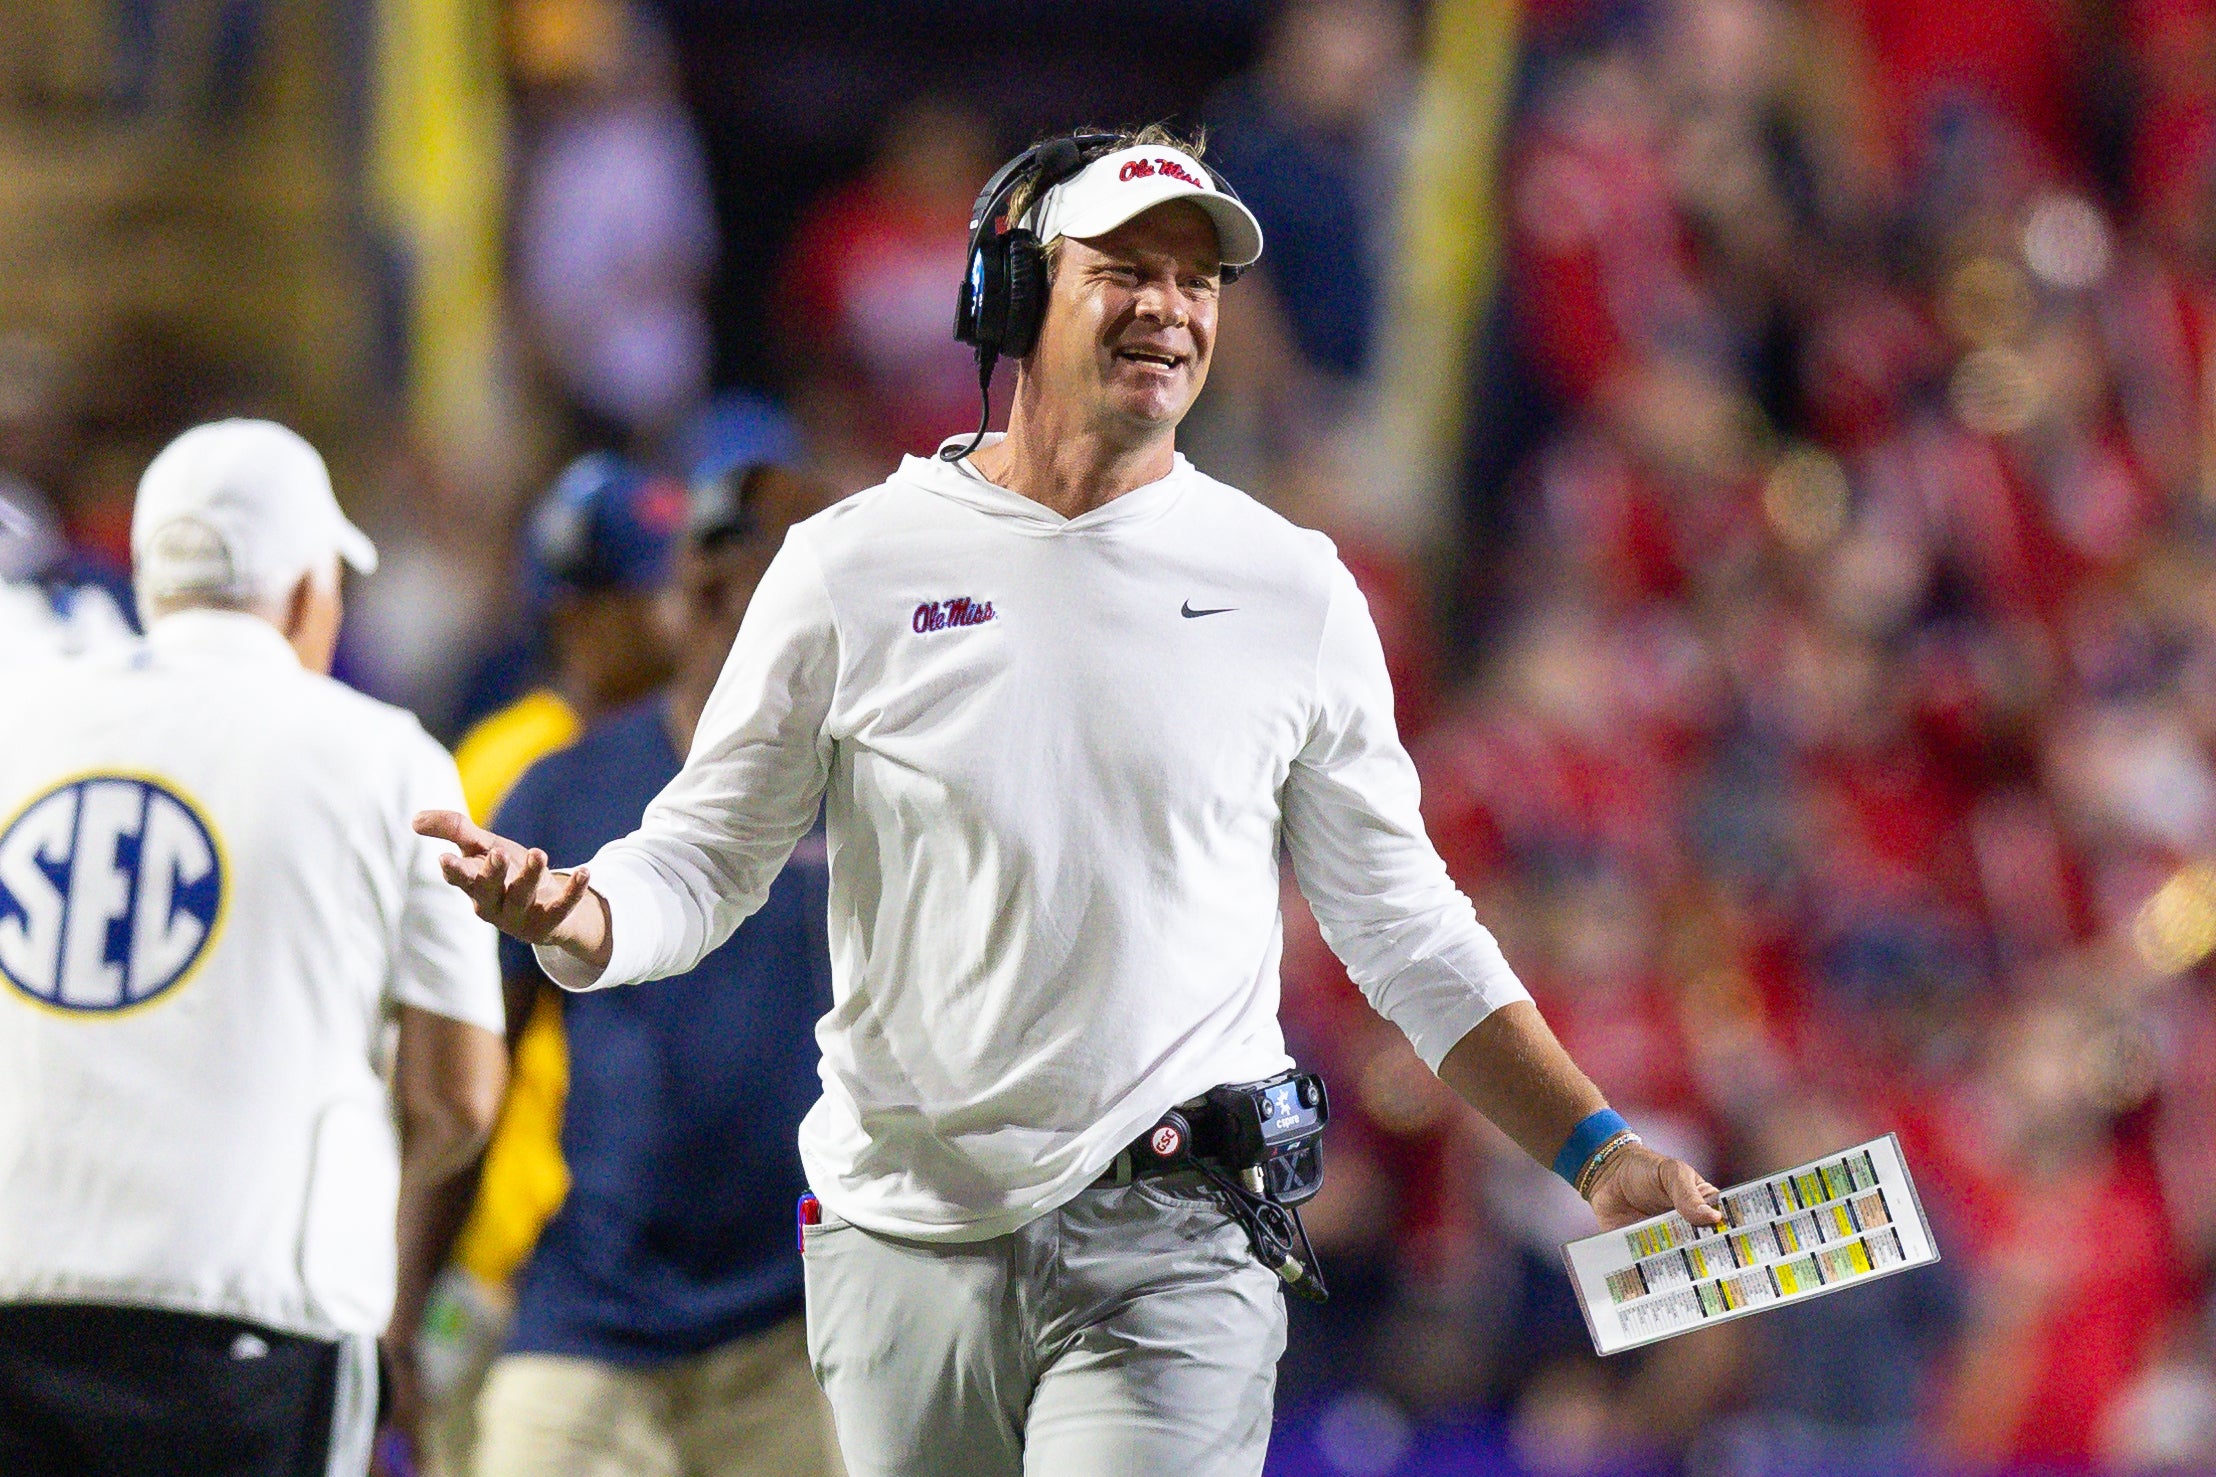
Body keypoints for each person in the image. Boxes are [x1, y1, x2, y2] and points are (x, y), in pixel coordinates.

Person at [418, 126, 1720, 1477]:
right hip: (906, 1236)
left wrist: (1591, 1144)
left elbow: (1407, 929)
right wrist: (587, 916)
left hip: (1176, 1238)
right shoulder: (852, 565)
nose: (1172, 305)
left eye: (1199, 278)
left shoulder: (1291, 588)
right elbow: (704, 857)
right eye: (1128, 268)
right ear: (1015, 295)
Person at [0, 419, 507, 1475]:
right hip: (252, 1320)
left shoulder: (20, 726)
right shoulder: (385, 760)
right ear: (306, 589)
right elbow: (456, 1096)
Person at [465, 460, 843, 1477]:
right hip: (590, 1297)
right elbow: (465, 1072)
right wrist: (414, 1298)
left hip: (803, 1309)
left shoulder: (865, 773)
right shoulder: (553, 782)